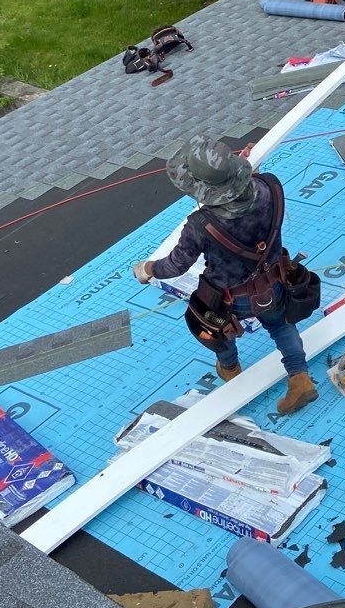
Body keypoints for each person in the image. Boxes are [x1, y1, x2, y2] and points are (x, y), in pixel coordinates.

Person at [134, 135, 318, 415]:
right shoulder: (270, 186)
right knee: (281, 325)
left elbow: (176, 266)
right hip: (275, 281)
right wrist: (240, 173)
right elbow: (250, 190)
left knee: (216, 330)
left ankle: (230, 367)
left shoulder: (201, 225)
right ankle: (300, 377)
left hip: (230, 298)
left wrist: (147, 269)